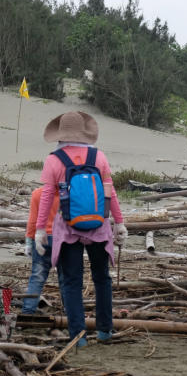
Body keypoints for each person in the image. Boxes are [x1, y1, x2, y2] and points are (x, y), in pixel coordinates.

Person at [35, 111, 127, 345]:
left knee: (72, 282)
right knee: (102, 279)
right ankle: (105, 331)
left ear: (60, 134)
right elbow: (110, 191)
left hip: (67, 229)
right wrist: (120, 222)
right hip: (98, 226)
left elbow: (46, 196)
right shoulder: (99, 157)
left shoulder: (54, 160)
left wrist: (39, 229)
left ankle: (78, 336)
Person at [22, 184, 61, 314]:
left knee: (37, 277)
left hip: (41, 239)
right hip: (63, 239)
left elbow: (33, 221)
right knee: (67, 278)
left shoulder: (37, 193)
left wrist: (28, 241)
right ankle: (71, 313)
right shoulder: (68, 193)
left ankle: (28, 311)